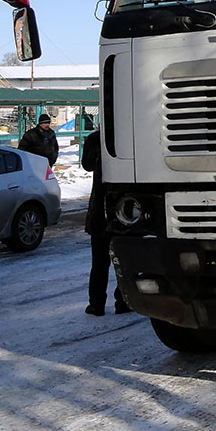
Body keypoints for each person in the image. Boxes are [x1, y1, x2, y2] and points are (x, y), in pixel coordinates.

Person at [82, 130, 129, 316]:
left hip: (102, 210)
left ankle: (97, 304)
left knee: (100, 263)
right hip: (122, 208)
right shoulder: (128, 135)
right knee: (122, 260)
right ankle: (122, 302)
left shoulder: (95, 138)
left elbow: (86, 165)